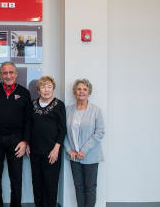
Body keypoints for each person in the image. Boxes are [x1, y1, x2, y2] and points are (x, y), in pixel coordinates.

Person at [0, 61, 32, 207]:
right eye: (5, 73)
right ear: (1, 75)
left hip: (17, 141)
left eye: (11, 72)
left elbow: (29, 120)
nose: (8, 75)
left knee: (16, 178)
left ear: (16, 74)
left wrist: (25, 141)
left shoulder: (24, 92)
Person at [64, 79, 105, 207]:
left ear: (89, 93)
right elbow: (62, 131)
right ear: (74, 92)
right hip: (73, 156)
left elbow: (100, 132)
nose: (81, 91)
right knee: (78, 187)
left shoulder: (96, 110)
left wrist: (84, 150)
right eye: (79, 89)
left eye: (85, 89)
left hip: (90, 155)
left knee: (90, 187)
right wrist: (68, 149)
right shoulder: (67, 110)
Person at [28, 76, 66, 207]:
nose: (46, 89)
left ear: (53, 89)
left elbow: (62, 129)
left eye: (49, 86)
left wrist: (56, 149)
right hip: (35, 151)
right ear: (38, 90)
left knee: (50, 183)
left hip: (52, 151)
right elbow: (28, 125)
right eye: (43, 87)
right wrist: (27, 143)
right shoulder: (32, 104)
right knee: (37, 183)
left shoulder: (59, 105)